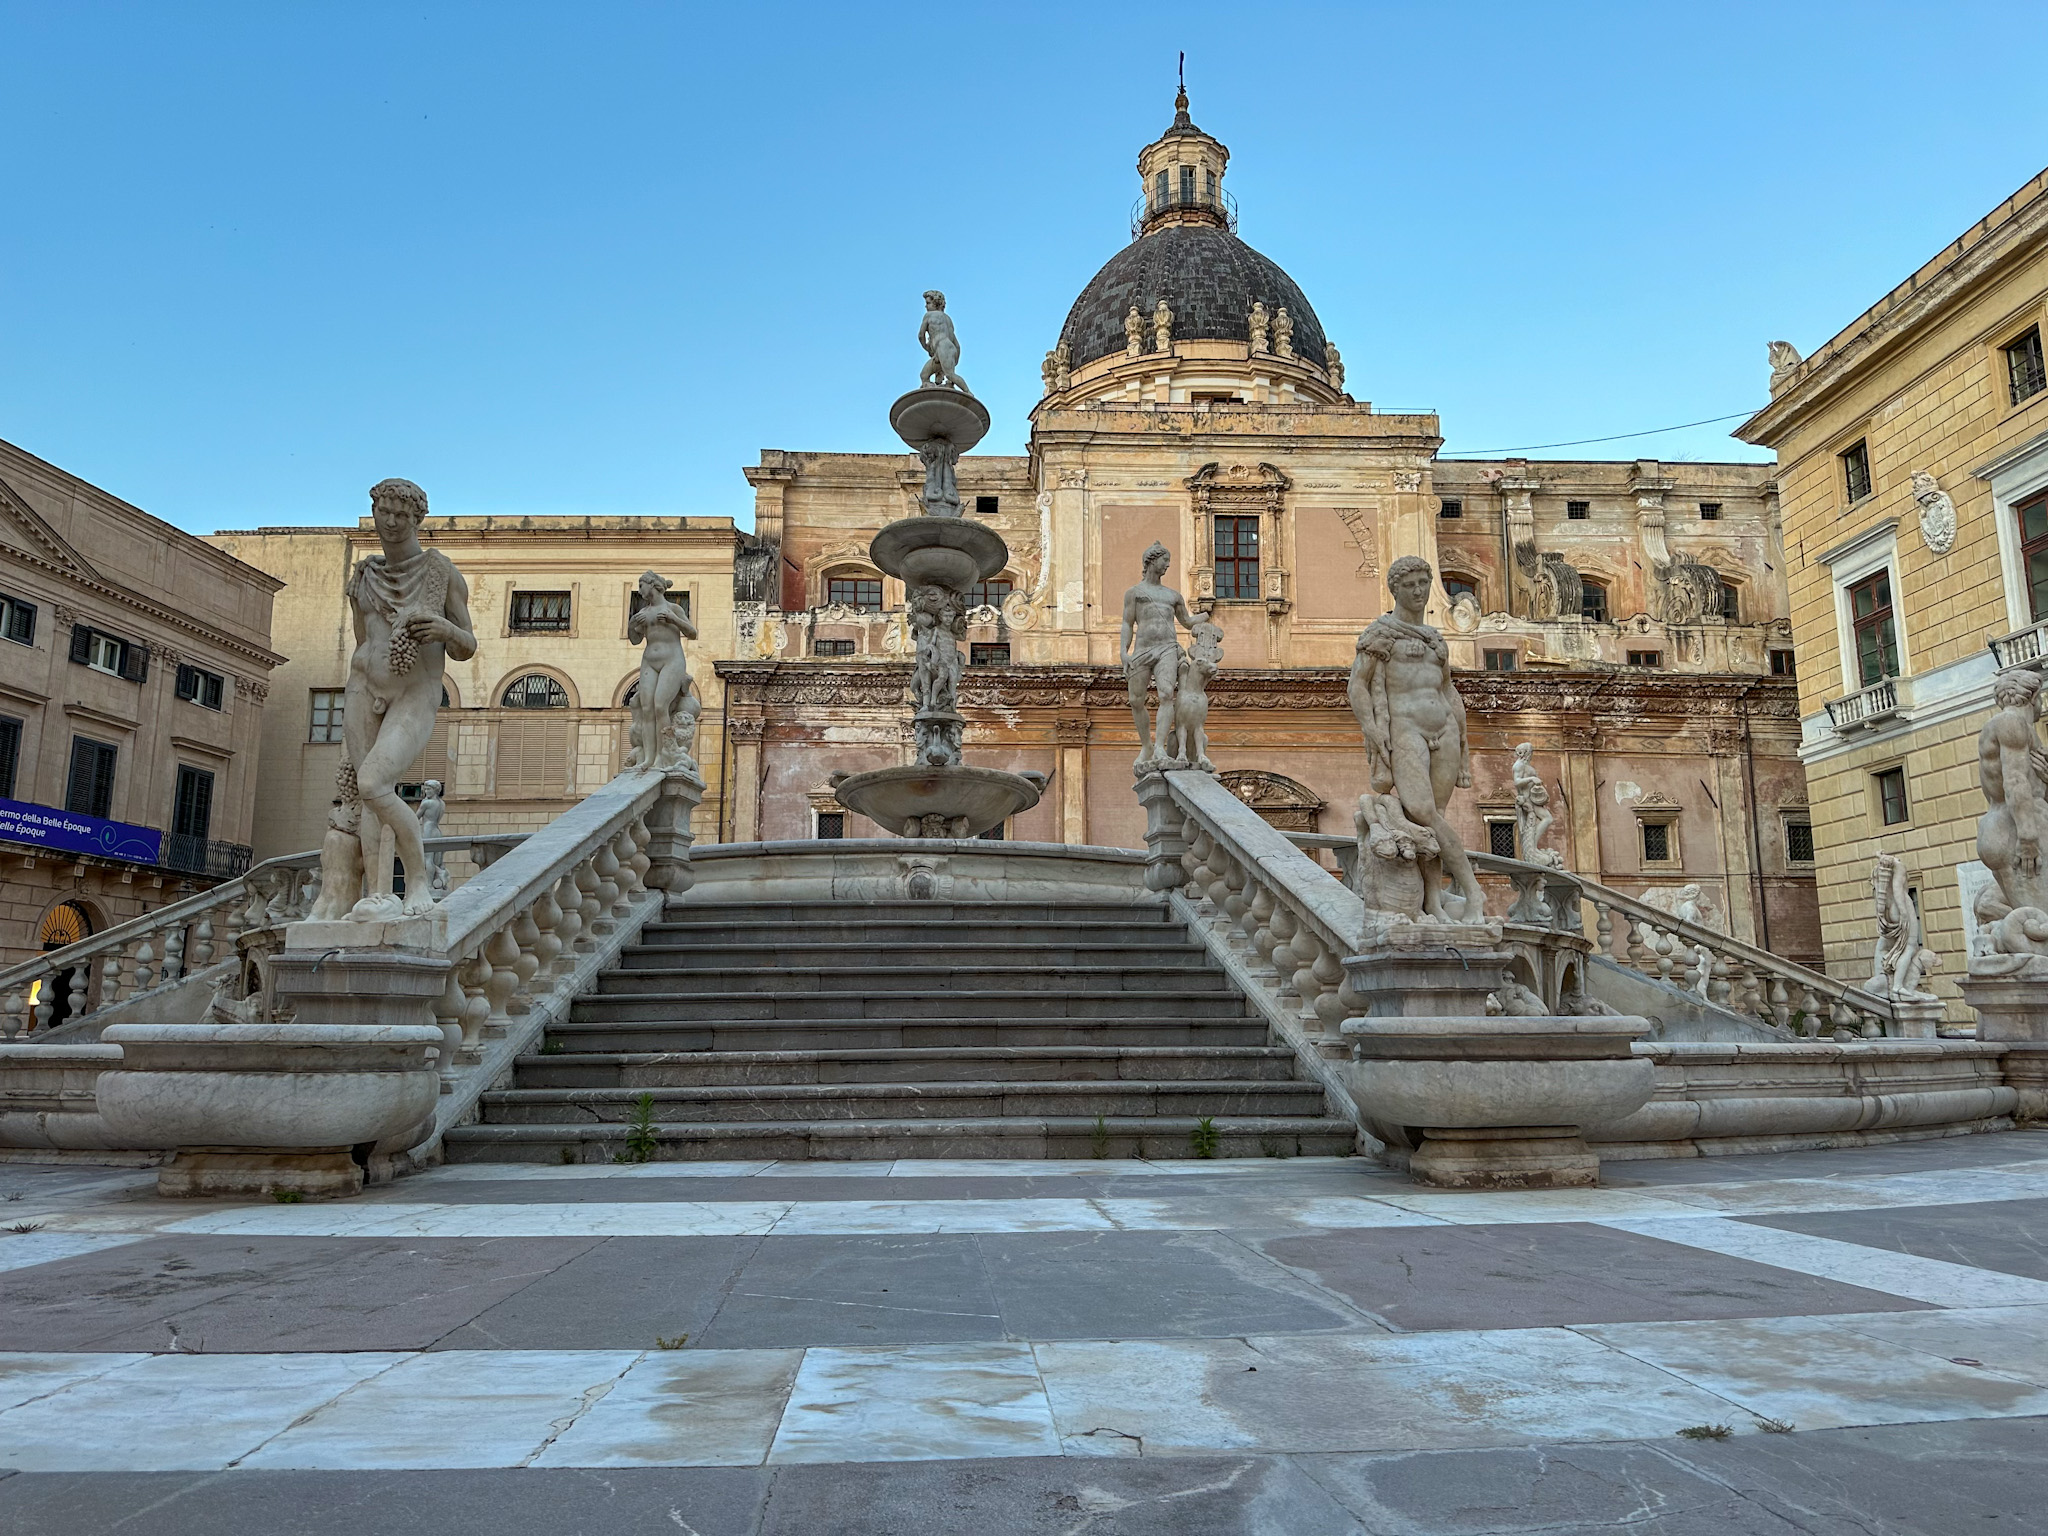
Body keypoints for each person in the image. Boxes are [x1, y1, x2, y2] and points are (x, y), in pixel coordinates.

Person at [342, 478, 476, 920]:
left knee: (373, 783)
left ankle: (417, 881)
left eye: (403, 514)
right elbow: (364, 637)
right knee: (369, 796)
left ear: (418, 518)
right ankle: (377, 894)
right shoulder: (364, 575)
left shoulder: (441, 572)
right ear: (374, 511)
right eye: (385, 512)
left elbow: (467, 644)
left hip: (416, 689)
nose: (393, 522)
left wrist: (444, 630)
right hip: (364, 685)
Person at [1348, 556, 1485, 920]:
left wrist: (1464, 739)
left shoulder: (1435, 638)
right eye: (1410, 584)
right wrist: (1372, 729)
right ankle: (1473, 890)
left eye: (1424, 582)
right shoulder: (1380, 633)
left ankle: (1433, 901)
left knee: (1429, 818)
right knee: (1423, 811)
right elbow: (1357, 686)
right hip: (1405, 729)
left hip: (1445, 729)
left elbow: (1449, 689)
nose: (1420, 591)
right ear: (1395, 589)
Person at [1121, 542, 1198, 771]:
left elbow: (1187, 622)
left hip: (1167, 648)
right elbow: (1127, 623)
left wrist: (1204, 618)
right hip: (1142, 649)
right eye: (1165, 560)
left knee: (1166, 695)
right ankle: (1146, 745)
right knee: (1136, 700)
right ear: (1152, 560)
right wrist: (1123, 652)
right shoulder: (1134, 593)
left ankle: (1160, 748)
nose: (1168, 565)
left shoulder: (1173, 596)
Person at [626, 570, 700, 774]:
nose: (639, 590)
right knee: (647, 707)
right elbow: (634, 640)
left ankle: (664, 755)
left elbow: (692, 633)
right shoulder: (643, 613)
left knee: (660, 706)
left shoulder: (673, 608)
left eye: (642, 585)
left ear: (653, 585)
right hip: (649, 660)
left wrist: (673, 620)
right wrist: (632, 625)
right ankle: (649, 757)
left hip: (672, 660)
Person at [918, 291, 968, 393]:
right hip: (947, 350)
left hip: (942, 348)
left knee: (950, 375)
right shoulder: (948, 320)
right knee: (924, 375)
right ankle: (939, 389)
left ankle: (968, 392)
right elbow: (956, 345)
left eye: (928, 303)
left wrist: (927, 347)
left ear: (935, 303)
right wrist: (955, 360)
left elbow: (920, 336)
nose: (925, 306)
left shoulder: (929, 315)